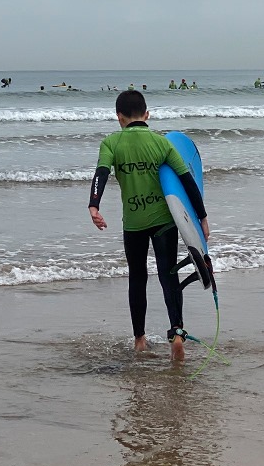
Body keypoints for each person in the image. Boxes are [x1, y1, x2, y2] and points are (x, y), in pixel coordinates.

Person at [87, 90, 209, 360]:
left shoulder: (111, 143)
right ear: (147, 115)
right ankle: (177, 332)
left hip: (133, 223)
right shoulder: (162, 143)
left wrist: (94, 205)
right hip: (165, 221)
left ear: (119, 117)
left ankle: (140, 339)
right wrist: (201, 218)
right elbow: (187, 180)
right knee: (168, 274)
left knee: (137, 278)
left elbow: (101, 174)